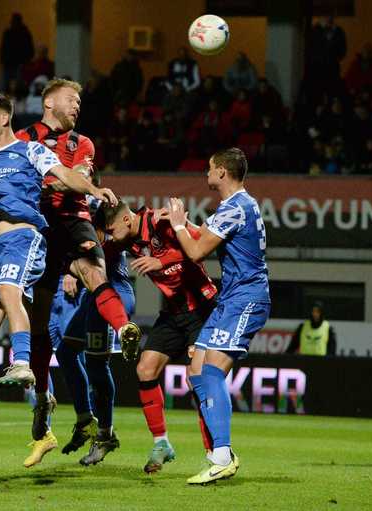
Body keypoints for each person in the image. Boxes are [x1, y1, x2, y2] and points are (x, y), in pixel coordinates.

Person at [0, 93, 118, 439]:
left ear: (4, 118)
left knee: (8, 292)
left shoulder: (29, 149)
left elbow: (65, 174)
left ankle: (22, 363)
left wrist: (93, 188)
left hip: (25, 238)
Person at [15, 79, 141, 466]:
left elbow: (72, 181)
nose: (78, 106)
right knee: (48, 333)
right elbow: (32, 179)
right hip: (39, 226)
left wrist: (66, 181)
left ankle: (123, 329)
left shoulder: (81, 144)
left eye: (81, 101)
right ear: (49, 101)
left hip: (72, 221)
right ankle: (45, 403)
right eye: (73, 99)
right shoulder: (22, 138)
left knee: (94, 274)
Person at [167, 147, 271, 484]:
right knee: (196, 368)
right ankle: (218, 452)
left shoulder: (235, 207)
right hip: (231, 300)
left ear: (222, 172)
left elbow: (196, 250)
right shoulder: (238, 206)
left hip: (246, 299)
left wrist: (180, 226)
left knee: (211, 369)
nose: (206, 173)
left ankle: (222, 455)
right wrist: (180, 226)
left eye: (210, 168)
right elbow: (206, 235)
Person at [101, 200, 218, 474]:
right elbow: (100, 251)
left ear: (127, 221)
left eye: (111, 229)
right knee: (145, 368)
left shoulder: (161, 221)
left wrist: (161, 259)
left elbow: (200, 247)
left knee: (197, 378)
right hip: (173, 312)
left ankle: (215, 453)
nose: (109, 233)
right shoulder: (125, 240)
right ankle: (161, 443)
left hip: (201, 308)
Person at [52, 202, 135, 467]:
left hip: (113, 296)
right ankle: (85, 419)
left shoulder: (99, 220)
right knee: (66, 352)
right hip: (93, 299)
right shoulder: (82, 216)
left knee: (97, 365)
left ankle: (104, 434)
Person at [0, 13, 34, 89]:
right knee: (15, 86)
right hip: (15, 63)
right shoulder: (24, 33)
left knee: (7, 86)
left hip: (15, 63)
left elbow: (3, 48)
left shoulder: (9, 33)